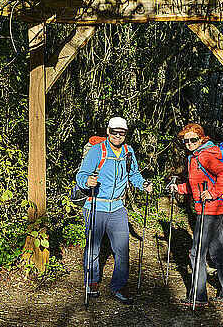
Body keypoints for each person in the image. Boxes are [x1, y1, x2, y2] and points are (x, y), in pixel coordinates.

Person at [76, 116, 152, 305]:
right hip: (96, 205)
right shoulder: (97, 151)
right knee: (93, 247)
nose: (118, 135)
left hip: (118, 207)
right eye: (114, 131)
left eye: (122, 132)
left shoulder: (128, 151)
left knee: (122, 249)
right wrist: (87, 181)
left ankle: (119, 287)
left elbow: (133, 173)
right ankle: (91, 282)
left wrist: (142, 184)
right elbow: (81, 174)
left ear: (126, 133)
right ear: (108, 131)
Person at [169, 123, 223, 307]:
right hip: (214, 210)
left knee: (196, 253)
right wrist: (179, 188)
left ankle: (198, 297)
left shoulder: (205, 156)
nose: (189, 143)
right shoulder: (195, 157)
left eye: (193, 139)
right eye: (186, 140)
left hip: (210, 210)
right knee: (218, 251)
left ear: (201, 139)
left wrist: (213, 193)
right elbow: (195, 186)